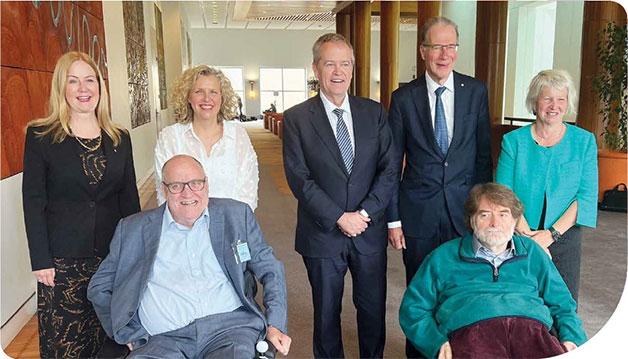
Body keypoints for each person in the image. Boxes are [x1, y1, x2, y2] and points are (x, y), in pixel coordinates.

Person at [87, 155, 291, 358]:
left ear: (206, 185)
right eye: (176, 186)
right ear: (164, 189)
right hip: (161, 339)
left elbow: (270, 269)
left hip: (230, 330)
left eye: (195, 183)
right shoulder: (133, 229)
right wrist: (125, 331)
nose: (187, 193)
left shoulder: (236, 216)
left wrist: (275, 324)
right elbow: (99, 287)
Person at [282, 33, 396, 358]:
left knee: (373, 312)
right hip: (322, 234)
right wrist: (338, 216)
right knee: (326, 315)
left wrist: (363, 215)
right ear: (316, 68)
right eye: (330, 63)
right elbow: (299, 179)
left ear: (353, 68)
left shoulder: (373, 112)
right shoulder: (297, 118)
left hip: (368, 231)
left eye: (345, 63)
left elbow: (388, 170)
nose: (338, 71)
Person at [22, 51, 141, 358]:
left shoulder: (119, 138)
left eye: (89, 80)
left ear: (100, 88)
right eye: (73, 81)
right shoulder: (41, 136)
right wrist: (40, 258)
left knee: (109, 341)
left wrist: (136, 254)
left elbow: (129, 200)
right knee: (66, 343)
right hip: (61, 263)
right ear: (61, 88)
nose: (82, 88)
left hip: (110, 257)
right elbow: (34, 200)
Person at [386, 16, 492, 356]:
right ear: (423, 51)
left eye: (451, 46)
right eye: (436, 47)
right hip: (418, 213)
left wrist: (484, 213)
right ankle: (419, 353)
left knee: (462, 288)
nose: (444, 54)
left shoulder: (475, 91)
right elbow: (390, 165)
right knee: (421, 289)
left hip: (464, 212)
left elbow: (482, 158)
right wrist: (394, 219)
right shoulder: (403, 98)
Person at [399, 183, 587, 359]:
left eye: (503, 214)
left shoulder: (533, 252)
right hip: (471, 332)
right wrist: (436, 342)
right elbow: (413, 309)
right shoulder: (443, 257)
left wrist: (571, 337)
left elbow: (563, 303)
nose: (494, 223)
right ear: (471, 220)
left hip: (531, 331)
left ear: (515, 220)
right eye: (485, 215)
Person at [496, 69, 598, 303]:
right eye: (547, 98)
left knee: (562, 304)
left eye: (561, 99)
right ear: (535, 101)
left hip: (565, 236)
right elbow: (503, 193)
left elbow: (585, 195)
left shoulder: (584, 141)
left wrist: (550, 235)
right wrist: (527, 233)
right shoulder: (514, 141)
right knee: (519, 304)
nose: (554, 105)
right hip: (520, 233)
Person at [154, 65, 259, 210]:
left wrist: (235, 224)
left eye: (213, 92)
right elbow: (164, 193)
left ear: (222, 98)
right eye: (199, 92)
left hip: (231, 224)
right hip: (185, 228)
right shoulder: (169, 137)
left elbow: (248, 190)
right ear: (188, 97)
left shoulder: (238, 134)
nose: (207, 98)